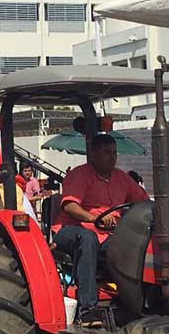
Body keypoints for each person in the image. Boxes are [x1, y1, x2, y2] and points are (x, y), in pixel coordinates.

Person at [52, 134, 149, 326]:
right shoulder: (80, 175)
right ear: (93, 154)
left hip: (108, 235)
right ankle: (88, 310)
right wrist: (94, 218)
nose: (112, 157)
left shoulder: (122, 178)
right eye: (107, 153)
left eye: (114, 153)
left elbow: (143, 200)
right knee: (88, 239)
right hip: (71, 230)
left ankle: (138, 303)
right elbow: (70, 206)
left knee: (138, 243)